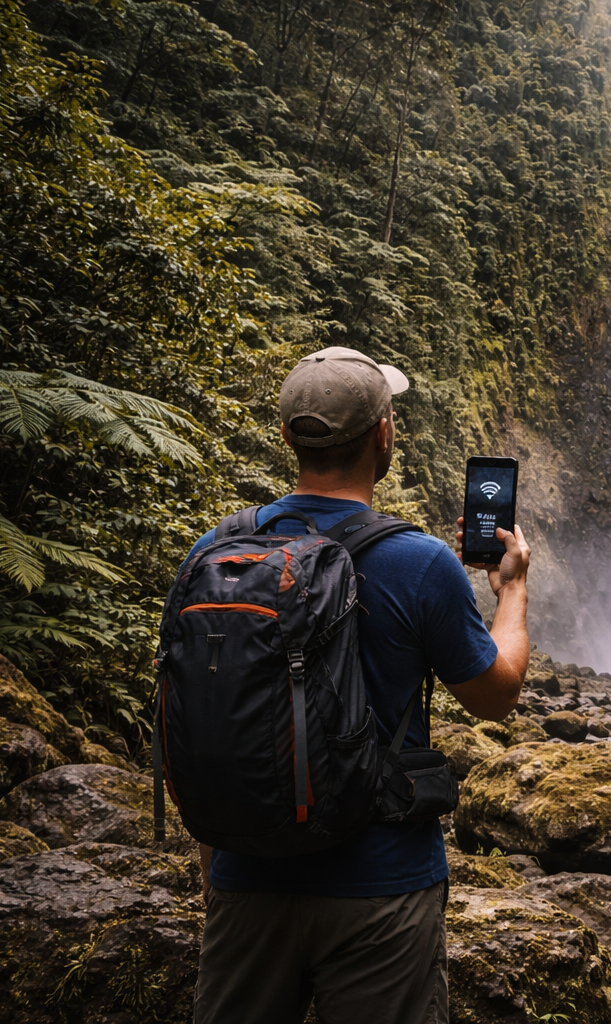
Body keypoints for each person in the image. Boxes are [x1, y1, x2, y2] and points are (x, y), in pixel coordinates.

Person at [189, 346, 533, 1024]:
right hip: (381, 888)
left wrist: (218, 873)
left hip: (246, 876)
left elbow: (206, 719)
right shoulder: (420, 563)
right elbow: (496, 696)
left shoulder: (215, 553)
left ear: (287, 436)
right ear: (384, 435)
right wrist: (512, 590)